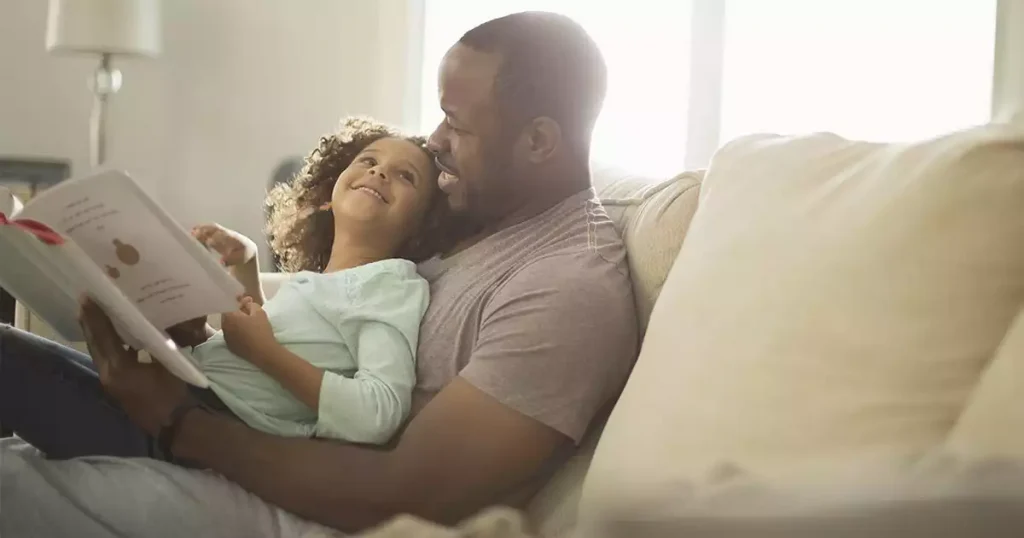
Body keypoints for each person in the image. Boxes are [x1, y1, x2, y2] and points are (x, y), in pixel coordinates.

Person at [0, 11, 639, 537]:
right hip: (241, 431)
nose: (436, 140)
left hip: (299, 497)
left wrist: (178, 422)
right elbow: (329, 309)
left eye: (458, 123)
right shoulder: (479, 214)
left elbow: (407, 493)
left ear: (538, 141)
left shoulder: (568, 287)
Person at [0, 118, 453, 462]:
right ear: (325, 195)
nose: (378, 173)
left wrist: (267, 355)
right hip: (182, 391)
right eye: (368, 161)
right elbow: (258, 350)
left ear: (422, 228)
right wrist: (246, 262)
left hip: (193, 425)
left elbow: (378, 413)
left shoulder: (390, 286)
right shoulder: (323, 284)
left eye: (404, 176)